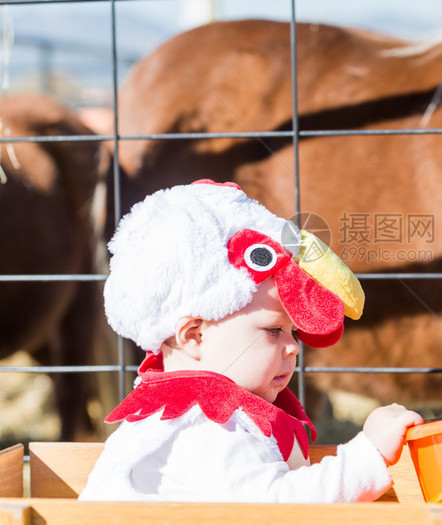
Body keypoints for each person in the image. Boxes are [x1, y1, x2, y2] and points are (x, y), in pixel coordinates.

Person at [79, 180, 422, 503]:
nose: (293, 347)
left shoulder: (188, 412)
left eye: (293, 332)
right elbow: (278, 508)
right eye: (274, 330)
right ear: (195, 336)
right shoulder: (206, 426)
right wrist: (368, 454)